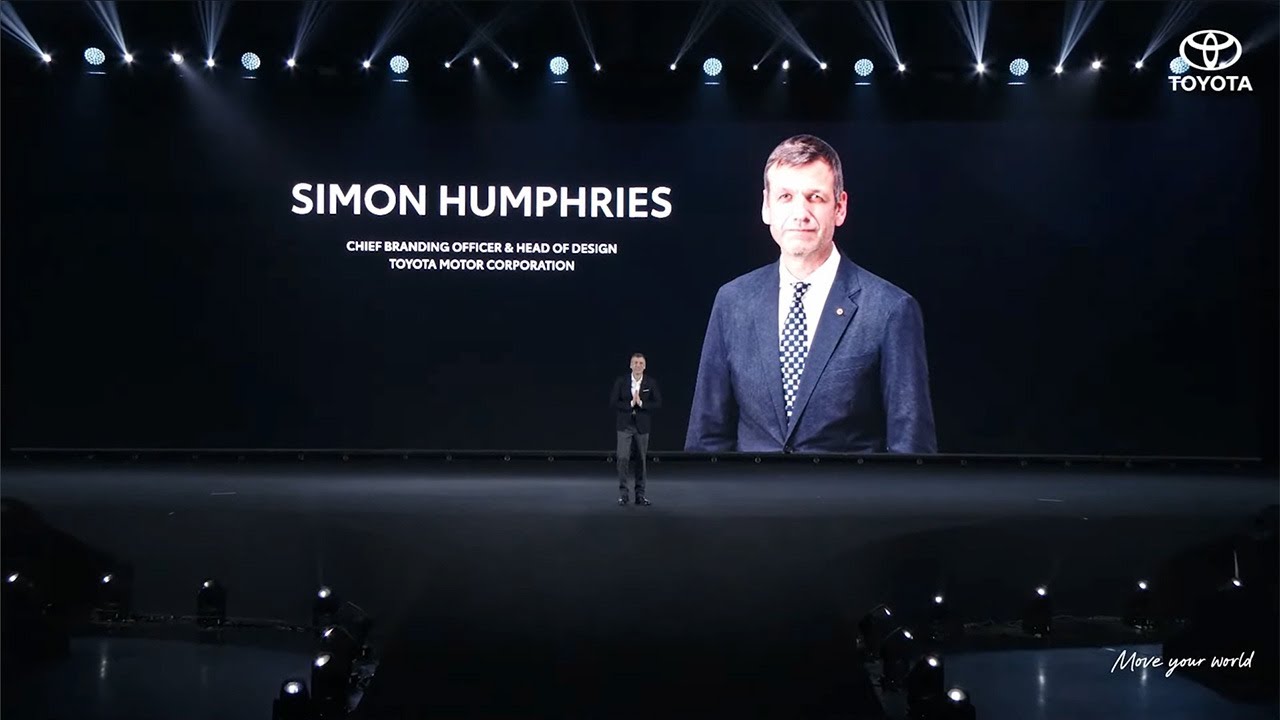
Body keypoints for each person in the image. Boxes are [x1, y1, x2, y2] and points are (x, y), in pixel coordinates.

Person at [685, 134, 936, 454]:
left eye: (815, 197)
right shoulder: (732, 302)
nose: (800, 212)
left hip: (847, 489)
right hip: (751, 489)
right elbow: (706, 441)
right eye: (786, 196)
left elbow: (911, 450)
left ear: (840, 207)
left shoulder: (891, 309)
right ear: (767, 207)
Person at [611, 353, 662, 505]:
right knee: (622, 458)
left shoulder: (650, 383)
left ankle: (640, 495)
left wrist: (641, 404)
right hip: (625, 425)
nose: (638, 365)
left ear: (644, 366)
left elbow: (657, 402)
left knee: (641, 460)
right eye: (635, 363)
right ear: (630, 365)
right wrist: (630, 404)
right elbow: (613, 402)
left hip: (642, 426)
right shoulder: (622, 381)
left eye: (641, 363)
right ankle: (624, 494)